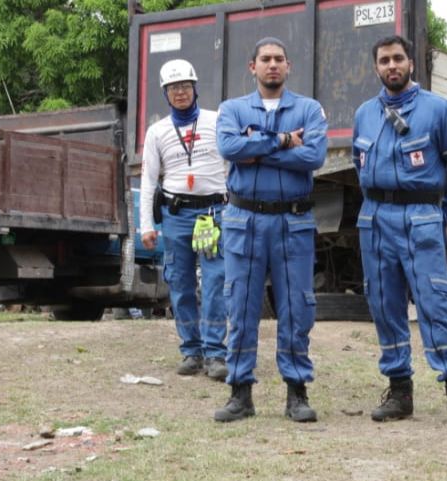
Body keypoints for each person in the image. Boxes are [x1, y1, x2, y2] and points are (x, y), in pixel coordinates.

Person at [351, 34, 447, 427]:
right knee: (384, 305)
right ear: (376, 67)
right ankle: (400, 391)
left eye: (398, 59)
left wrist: (439, 214)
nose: (392, 66)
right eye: (384, 60)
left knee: (434, 304)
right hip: (374, 218)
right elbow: (360, 166)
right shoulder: (364, 114)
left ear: (411, 63)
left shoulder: (437, 110)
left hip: (421, 216)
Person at [214, 38, 328, 423]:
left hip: (292, 221)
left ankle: (297, 393)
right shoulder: (232, 109)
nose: (272, 65)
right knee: (241, 306)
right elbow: (230, 147)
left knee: (297, 307)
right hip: (244, 221)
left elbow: (313, 156)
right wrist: (281, 140)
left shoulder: (309, 109)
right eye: (265, 59)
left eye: (279, 59)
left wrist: (256, 148)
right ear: (253, 67)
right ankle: (239, 393)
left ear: (289, 65)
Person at [139, 59, 228, 381]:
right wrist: (146, 226)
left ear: (195, 88)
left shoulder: (217, 121)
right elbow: (149, 180)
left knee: (217, 282)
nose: (180, 92)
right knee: (180, 283)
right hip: (176, 216)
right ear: (165, 93)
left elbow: (234, 162)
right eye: (174, 88)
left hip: (214, 214)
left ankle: (216, 353)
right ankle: (192, 351)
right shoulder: (157, 131)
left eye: (185, 86)